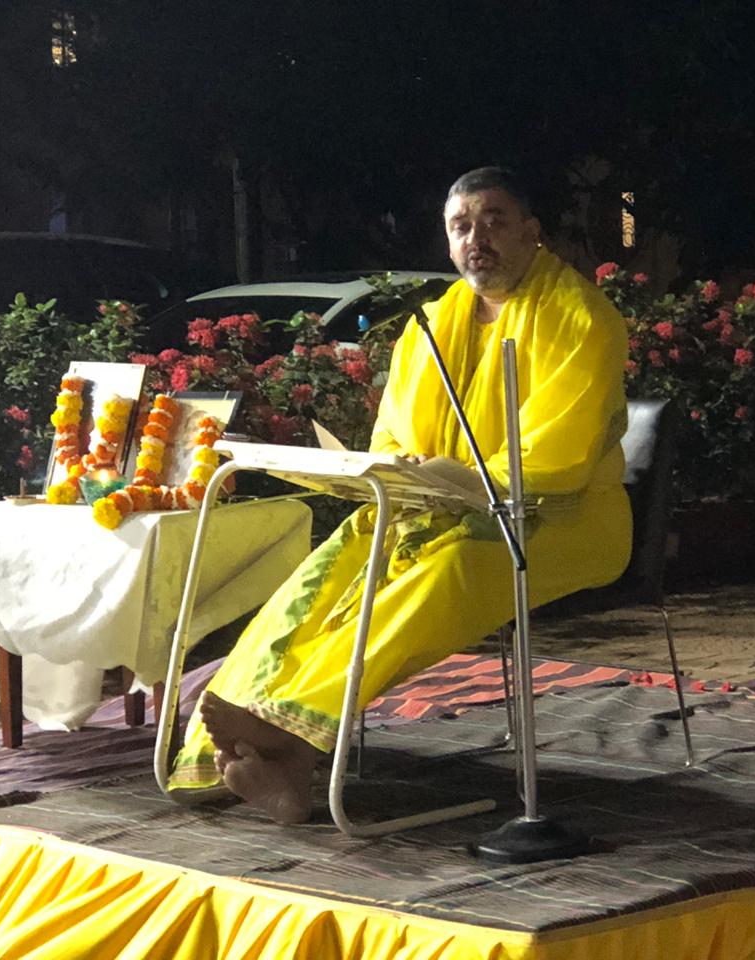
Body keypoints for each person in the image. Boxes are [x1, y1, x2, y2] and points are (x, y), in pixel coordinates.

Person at [172, 166, 632, 823]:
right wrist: (408, 472)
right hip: (434, 506)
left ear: (532, 233)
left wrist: (462, 482)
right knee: (329, 572)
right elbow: (395, 436)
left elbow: (559, 451)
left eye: (495, 221)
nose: (478, 237)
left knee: (442, 572)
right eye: (461, 226)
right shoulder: (431, 325)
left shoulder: (581, 315)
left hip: (557, 520)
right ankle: (272, 747)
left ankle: (292, 736)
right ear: (447, 244)